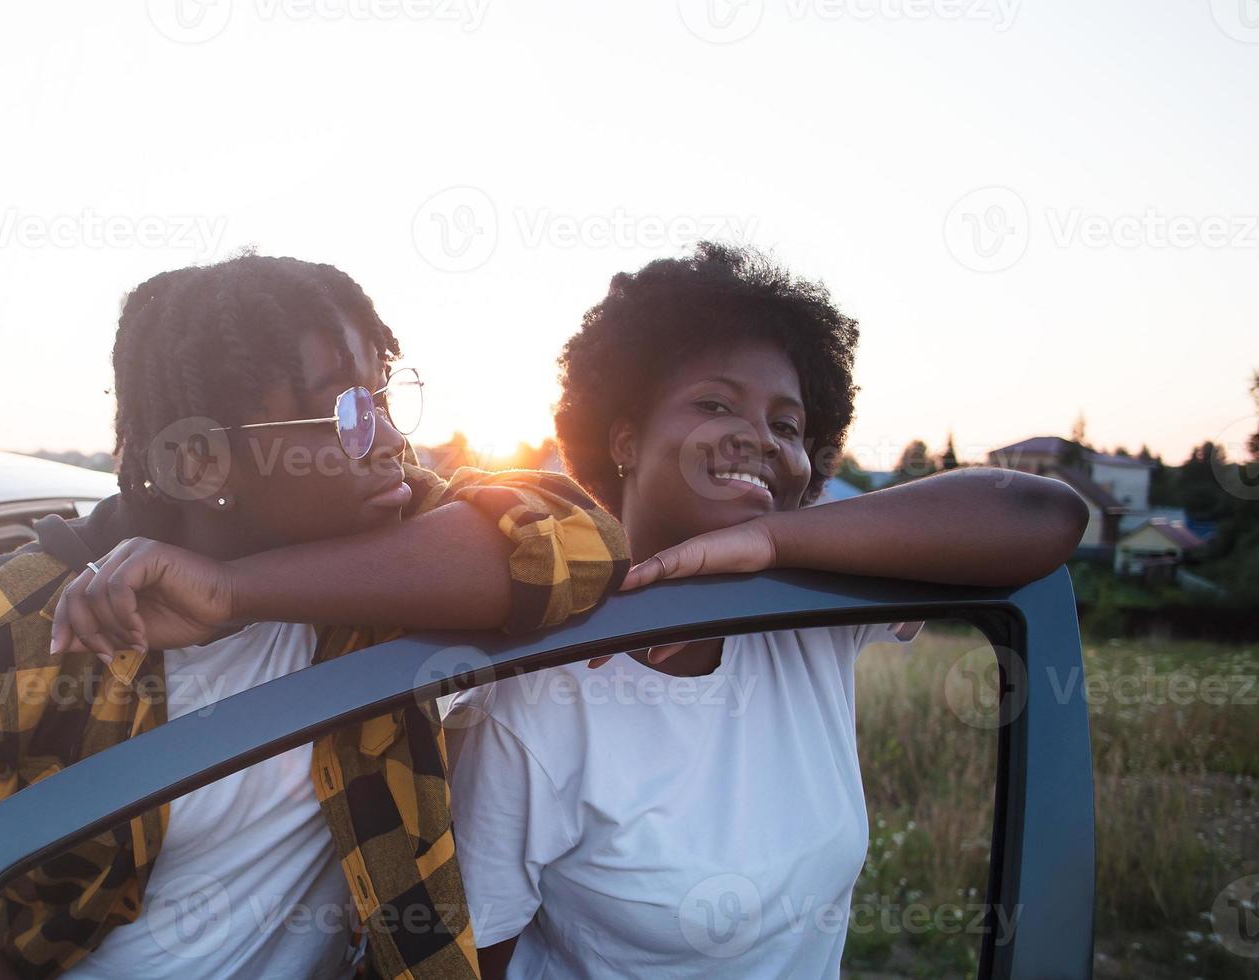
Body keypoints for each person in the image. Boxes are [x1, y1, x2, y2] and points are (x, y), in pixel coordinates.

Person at [0, 253, 627, 979]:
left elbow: (579, 543)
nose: (388, 441)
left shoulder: (389, 562)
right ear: (201, 461)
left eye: (382, 396)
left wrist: (236, 592)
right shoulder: (40, 617)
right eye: (344, 412)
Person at [445, 242, 1088, 979]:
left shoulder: (812, 617)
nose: (760, 437)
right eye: (715, 404)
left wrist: (768, 540)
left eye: (788, 426)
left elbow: (1045, 515)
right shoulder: (531, 702)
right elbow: (474, 960)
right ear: (625, 438)